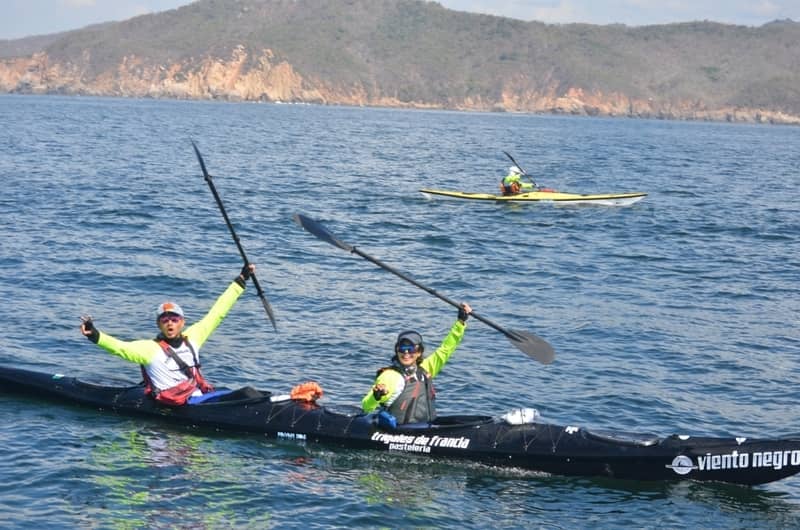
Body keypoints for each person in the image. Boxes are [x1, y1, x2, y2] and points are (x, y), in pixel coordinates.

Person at [80, 264, 256, 406]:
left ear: (182, 322)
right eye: (165, 320)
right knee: (247, 394)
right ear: (159, 324)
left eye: (174, 319)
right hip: (180, 403)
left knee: (251, 393)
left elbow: (217, 313)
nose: (170, 323)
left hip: (198, 395)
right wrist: (95, 335)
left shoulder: (193, 337)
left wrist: (240, 281)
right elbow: (120, 348)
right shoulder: (149, 349)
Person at [361, 302, 472, 425]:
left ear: (419, 352)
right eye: (402, 348)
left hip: (427, 427)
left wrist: (461, 322)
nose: (406, 353)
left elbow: (446, 349)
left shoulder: (426, 369)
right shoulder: (390, 376)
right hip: (401, 432)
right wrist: (376, 396)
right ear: (397, 350)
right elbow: (366, 407)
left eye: (411, 349)